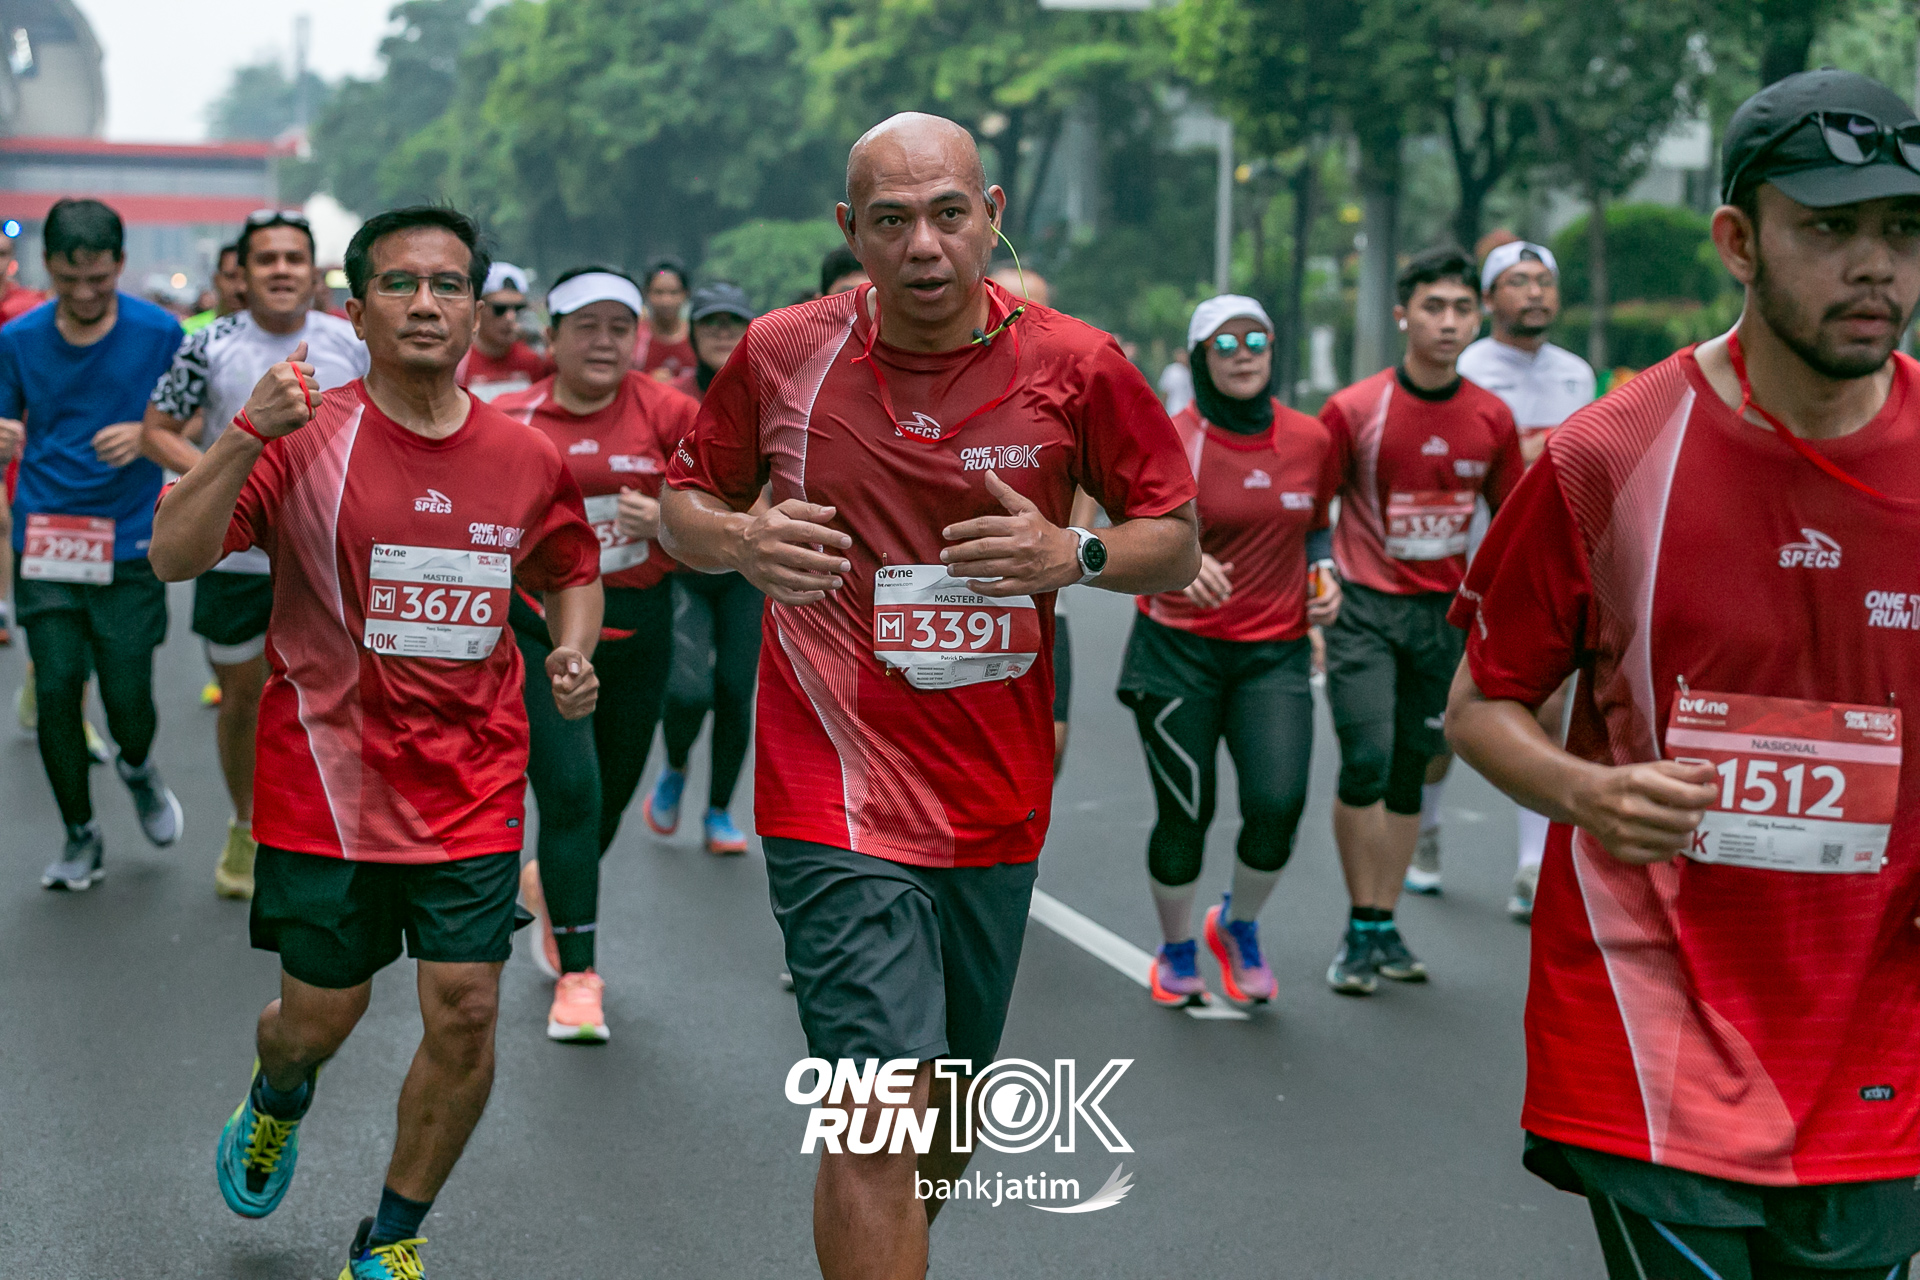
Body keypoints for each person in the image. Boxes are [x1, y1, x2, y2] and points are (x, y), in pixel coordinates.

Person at [661, 111, 1198, 1280]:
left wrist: (1075, 553)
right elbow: (682, 505)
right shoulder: (782, 352)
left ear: (991, 214)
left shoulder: (1079, 364)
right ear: (850, 229)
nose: (923, 245)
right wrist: (743, 538)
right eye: (891, 220)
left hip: (993, 790)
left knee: (947, 1113)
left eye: (949, 214)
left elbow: (1172, 535)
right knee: (875, 1108)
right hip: (833, 783)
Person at [1445, 69, 1920, 1280]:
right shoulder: (1608, 455)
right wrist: (1590, 792)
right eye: (1830, 228)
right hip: (1651, 1027)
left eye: (1903, 229)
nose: (1875, 264)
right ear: (1738, 242)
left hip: (1880, 1036)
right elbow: (1482, 705)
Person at [147, 205, 601, 1280]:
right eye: (400, 284)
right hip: (327, 783)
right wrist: (244, 432)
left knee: (468, 1007)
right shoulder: (304, 436)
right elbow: (171, 553)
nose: (426, 304)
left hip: (472, 780)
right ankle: (277, 1095)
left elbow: (572, 566)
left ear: (478, 311)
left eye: (449, 285)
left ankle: (391, 1235)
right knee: (315, 1017)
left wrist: (572, 650)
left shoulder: (524, 456)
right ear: (356, 313)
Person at [142, 209, 370, 900]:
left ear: (313, 271)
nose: (280, 270)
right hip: (236, 559)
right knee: (243, 700)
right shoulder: (206, 344)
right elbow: (157, 431)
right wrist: (230, 477)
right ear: (241, 273)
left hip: (331, 556)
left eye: (293, 259)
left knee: (342, 696)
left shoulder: (355, 341)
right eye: (265, 259)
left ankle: (334, 828)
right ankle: (246, 825)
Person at [1124, 295, 1341, 1008]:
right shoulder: (1171, 437)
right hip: (1177, 652)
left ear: (1273, 349)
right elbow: (1130, 527)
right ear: (1198, 359)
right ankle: (1176, 945)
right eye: (1224, 344)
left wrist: (1325, 572)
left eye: (1256, 340)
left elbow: (1317, 522)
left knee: (1277, 807)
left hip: (1274, 654)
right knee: (1186, 812)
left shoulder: (1311, 439)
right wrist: (1178, 561)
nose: (1243, 354)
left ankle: (1238, 924)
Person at [495, 267, 695, 1040]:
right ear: (552, 337)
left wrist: (670, 517)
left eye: (620, 327)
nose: (605, 342)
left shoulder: (671, 412)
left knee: (608, 796)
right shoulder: (511, 418)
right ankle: (579, 976)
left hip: (641, 625)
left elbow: (735, 507)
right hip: (542, 631)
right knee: (572, 790)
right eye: (587, 327)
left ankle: (551, 881)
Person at [1319, 245, 1521, 995]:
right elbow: (1312, 513)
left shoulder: (1491, 417)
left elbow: (1512, 524)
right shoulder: (1355, 410)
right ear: (1404, 315)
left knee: (1412, 769)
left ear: (1479, 318)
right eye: (1433, 307)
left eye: (1462, 309)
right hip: (1365, 610)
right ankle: (1358, 923)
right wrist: (1312, 597)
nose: (1448, 322)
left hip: (1442, 618)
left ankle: (1382, 921)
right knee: (1366, 760)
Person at [0, 199, 186, 889]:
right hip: (46, 537)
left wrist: (147, 435)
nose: (83, 294)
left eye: (99, 280)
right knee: (56, 690)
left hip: (131, 540)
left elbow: (193, 416)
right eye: (68, 280)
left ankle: (136, 765)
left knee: (128, 695)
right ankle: (80, 833)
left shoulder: (160, 332)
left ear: (120, 266)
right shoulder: (17, 339)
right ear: (46, 266)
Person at [1443, 239, 1596, 919]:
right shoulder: (1466, 370)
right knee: (1441, 721)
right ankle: (1422, 826)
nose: (1534, 292)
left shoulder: (1577, 375)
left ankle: (1533, 865)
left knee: (1547, 708)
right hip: (1462, 564)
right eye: (1518, 280)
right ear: (1488, 299)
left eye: (1544, 280)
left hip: (1545, 569)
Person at [647, 281, 764, 855]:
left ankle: (718, 812)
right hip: (686, 571)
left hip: (746, 572)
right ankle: (674, 766)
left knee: (736, 691)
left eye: (733, 322)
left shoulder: (771, 394)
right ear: (692, 333)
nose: (721, 332)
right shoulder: (668, 399)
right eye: (710, 322)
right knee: (689, 692)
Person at [0, 223, 51, 646]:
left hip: (18, 436)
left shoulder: (31, 309)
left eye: (2, 254)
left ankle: (2, 607)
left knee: (4, 520)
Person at [453, 262, 553, 402]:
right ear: (477, 309)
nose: (510, 317)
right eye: (499, 309)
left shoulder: (536, 361)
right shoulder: (456, 365)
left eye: (518, 309)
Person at [631, 259, 695, 381]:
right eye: (659, 292)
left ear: (686, 294)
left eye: (673, 293)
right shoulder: (635, 337)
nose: (666, 301)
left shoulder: (696, 337)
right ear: (646, 294)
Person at [185, 243, 248, 335]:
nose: (240, 287)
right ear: (216, 279)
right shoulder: (192, 332)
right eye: (231, 276)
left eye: (247, 277)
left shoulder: (268, 333)